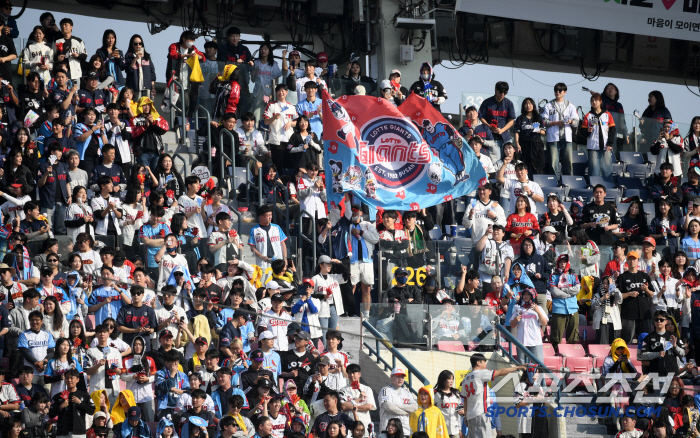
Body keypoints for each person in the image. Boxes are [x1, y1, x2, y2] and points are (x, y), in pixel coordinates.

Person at [461, 354, 525, 438]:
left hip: (470, 416)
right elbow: (500, 372)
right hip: (481, 413)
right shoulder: (480, 373)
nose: (485, 364)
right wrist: (517, 367)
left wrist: (466, 416)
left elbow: (465, 400)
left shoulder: (466, 378)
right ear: (478, 363)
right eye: (484, 362)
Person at [541, 83, 579, 177]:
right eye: (556, 90)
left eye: (560, 90)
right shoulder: (548, 105)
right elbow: (544, 121)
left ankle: (568, 183)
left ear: (565, 92)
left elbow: (576, 121)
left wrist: (571, 121)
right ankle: (554, 184)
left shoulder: (570, 106)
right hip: (553, 139)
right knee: (553, 163)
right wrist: (555, 123)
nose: (557, 92)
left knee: (568, 163)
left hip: (566, 139)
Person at [618, 251, 654, 344]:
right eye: (630, 259)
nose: (632, 261)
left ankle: (645, 358)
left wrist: (646, 290)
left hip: (644, 313)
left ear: (638, 261)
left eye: (634, 259)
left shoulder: (645, 276)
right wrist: (629, 294)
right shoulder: (622, 277)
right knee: (627, 341)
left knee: (645, 341)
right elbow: (617, 296)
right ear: (627, 261)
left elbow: (652, 295)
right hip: (628, 314)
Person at [476, 81, 516, 164]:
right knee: (496, 162)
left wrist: (502, 130)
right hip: (492, 138)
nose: (502, 94)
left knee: (509, 161)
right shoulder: (487, 102)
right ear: (495, 90)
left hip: (505, 137)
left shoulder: (509, 103)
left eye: (505, 92)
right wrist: (489, 126)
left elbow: (511, 121)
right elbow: (481, 117)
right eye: (501, 92)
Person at [548, 254, 580, 352]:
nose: (562, 264)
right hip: (559, 309)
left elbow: (577, 289)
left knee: (573, 336)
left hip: (573, 308)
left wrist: (563, 289)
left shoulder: (573, 275)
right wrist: (568, 294)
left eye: (564, 262)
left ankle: (571, 356)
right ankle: (554, 355)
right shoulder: (553, 276)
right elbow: (554, 291)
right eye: (560, 262)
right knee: (556, 335)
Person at [37, 142, 71, 235]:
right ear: (52, 152)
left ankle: (61, 249)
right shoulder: (43, 166)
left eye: (61, 151)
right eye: (59, 151)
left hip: (62, 201)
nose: (61, 153)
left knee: (61, 229)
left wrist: (69, 196)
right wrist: (46, 173)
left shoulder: (63, 166)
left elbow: (67, 182)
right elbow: (40, 184)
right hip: (48, 201)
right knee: (48, 228)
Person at [49, 368, 94, 438]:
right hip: (62, 432)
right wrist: (61, 407)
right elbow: (51, 414)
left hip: (79, 432)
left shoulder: (84, 395)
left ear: (77, 380)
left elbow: (92, 410)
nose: (69, 380)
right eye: (67, 378)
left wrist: (80, 403)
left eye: (72, 378)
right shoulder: (58, 396)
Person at [263, 84, 298, 172]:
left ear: (286, 93)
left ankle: (287, 183)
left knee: (289, 164)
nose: (281, 93)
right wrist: (274, 117)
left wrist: (290, 123)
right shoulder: (271, 105)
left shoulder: (291, 107)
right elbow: (266, 121)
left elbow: (297, 123)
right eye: (278, 91)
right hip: (276, 139)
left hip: (289, 139)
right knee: (278, 165)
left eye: (283, 91)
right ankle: (278, 183)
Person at [639, 310, 685, 376]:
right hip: (654, 374)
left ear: (666, 321)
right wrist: (657, 354)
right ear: (654, 321)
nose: (659, 321)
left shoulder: (673, 336)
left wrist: (675, 346)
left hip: (672, 374)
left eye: (661, 320)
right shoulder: (648, 337)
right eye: (656, 319)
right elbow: (642, 355)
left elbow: (683, 353)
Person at [581, 93, 616, 177]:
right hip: (593, 147)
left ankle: (607, 187)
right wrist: (588, 131)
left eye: (596, 100)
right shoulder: (588, 115)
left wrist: (610, 143)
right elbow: (582, 131)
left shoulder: (607, 114)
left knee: (607, 169)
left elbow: (612, 129)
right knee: (593, 170)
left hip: (606, 146)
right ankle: (593, 187)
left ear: (600, 102)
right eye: (592, 101)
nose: (594, 102)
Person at [509, 288, 548, 362]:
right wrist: (515, 320)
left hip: (535, 341)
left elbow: (544, 323)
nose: (526, 296)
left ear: (532, 296)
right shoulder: (518, 308)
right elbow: (512, 325)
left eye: (528, 295)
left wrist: (538, 312)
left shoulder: (538, 308)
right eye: (524, 294)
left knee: (538, 365)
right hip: (521, 341)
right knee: (522, 366)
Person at [378, 368, 417, 435]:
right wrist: (404, 412)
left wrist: (399, 406)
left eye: (402, 377)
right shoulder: (385, 390)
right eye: (398, 376)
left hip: (404, 430)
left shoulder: (407, 392)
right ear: (391, 377)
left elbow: (415, 407)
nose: (400, 379)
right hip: (388, 431)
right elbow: (388, 407)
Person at [513, 97, 546, 177]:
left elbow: (544, 132)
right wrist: (517, 144)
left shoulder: (538, 117)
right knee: (524, 165)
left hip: (536, 145)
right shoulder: (520, 118)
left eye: (530, 103)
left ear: (533, 105)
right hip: (524, 144)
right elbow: (516, 132)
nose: (528, 105)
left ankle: (538, 183)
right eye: (526, 104)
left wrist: (538, 130)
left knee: (538, 167)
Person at [592, 275, 623, 345]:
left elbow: (620, 299)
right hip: (602, 323)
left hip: (614, 323)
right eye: (604, 283)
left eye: (607, 284)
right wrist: (602, 298)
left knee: (614, 345)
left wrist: (612, 286)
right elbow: (593, 306)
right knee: (602, 346)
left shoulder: (615, 294)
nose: (605, 285)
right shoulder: (597, 295)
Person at [125, 34, 156, 99]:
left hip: (146, 88)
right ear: (132, 44)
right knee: (135, 107)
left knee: (146, 108)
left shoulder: (147, 56)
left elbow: (152, 73)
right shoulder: (128, 56)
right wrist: (135, 59)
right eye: (136, 44)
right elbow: (128, 70)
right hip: (134, 89)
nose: (138, 45)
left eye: (140, 43)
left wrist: (153, 88)